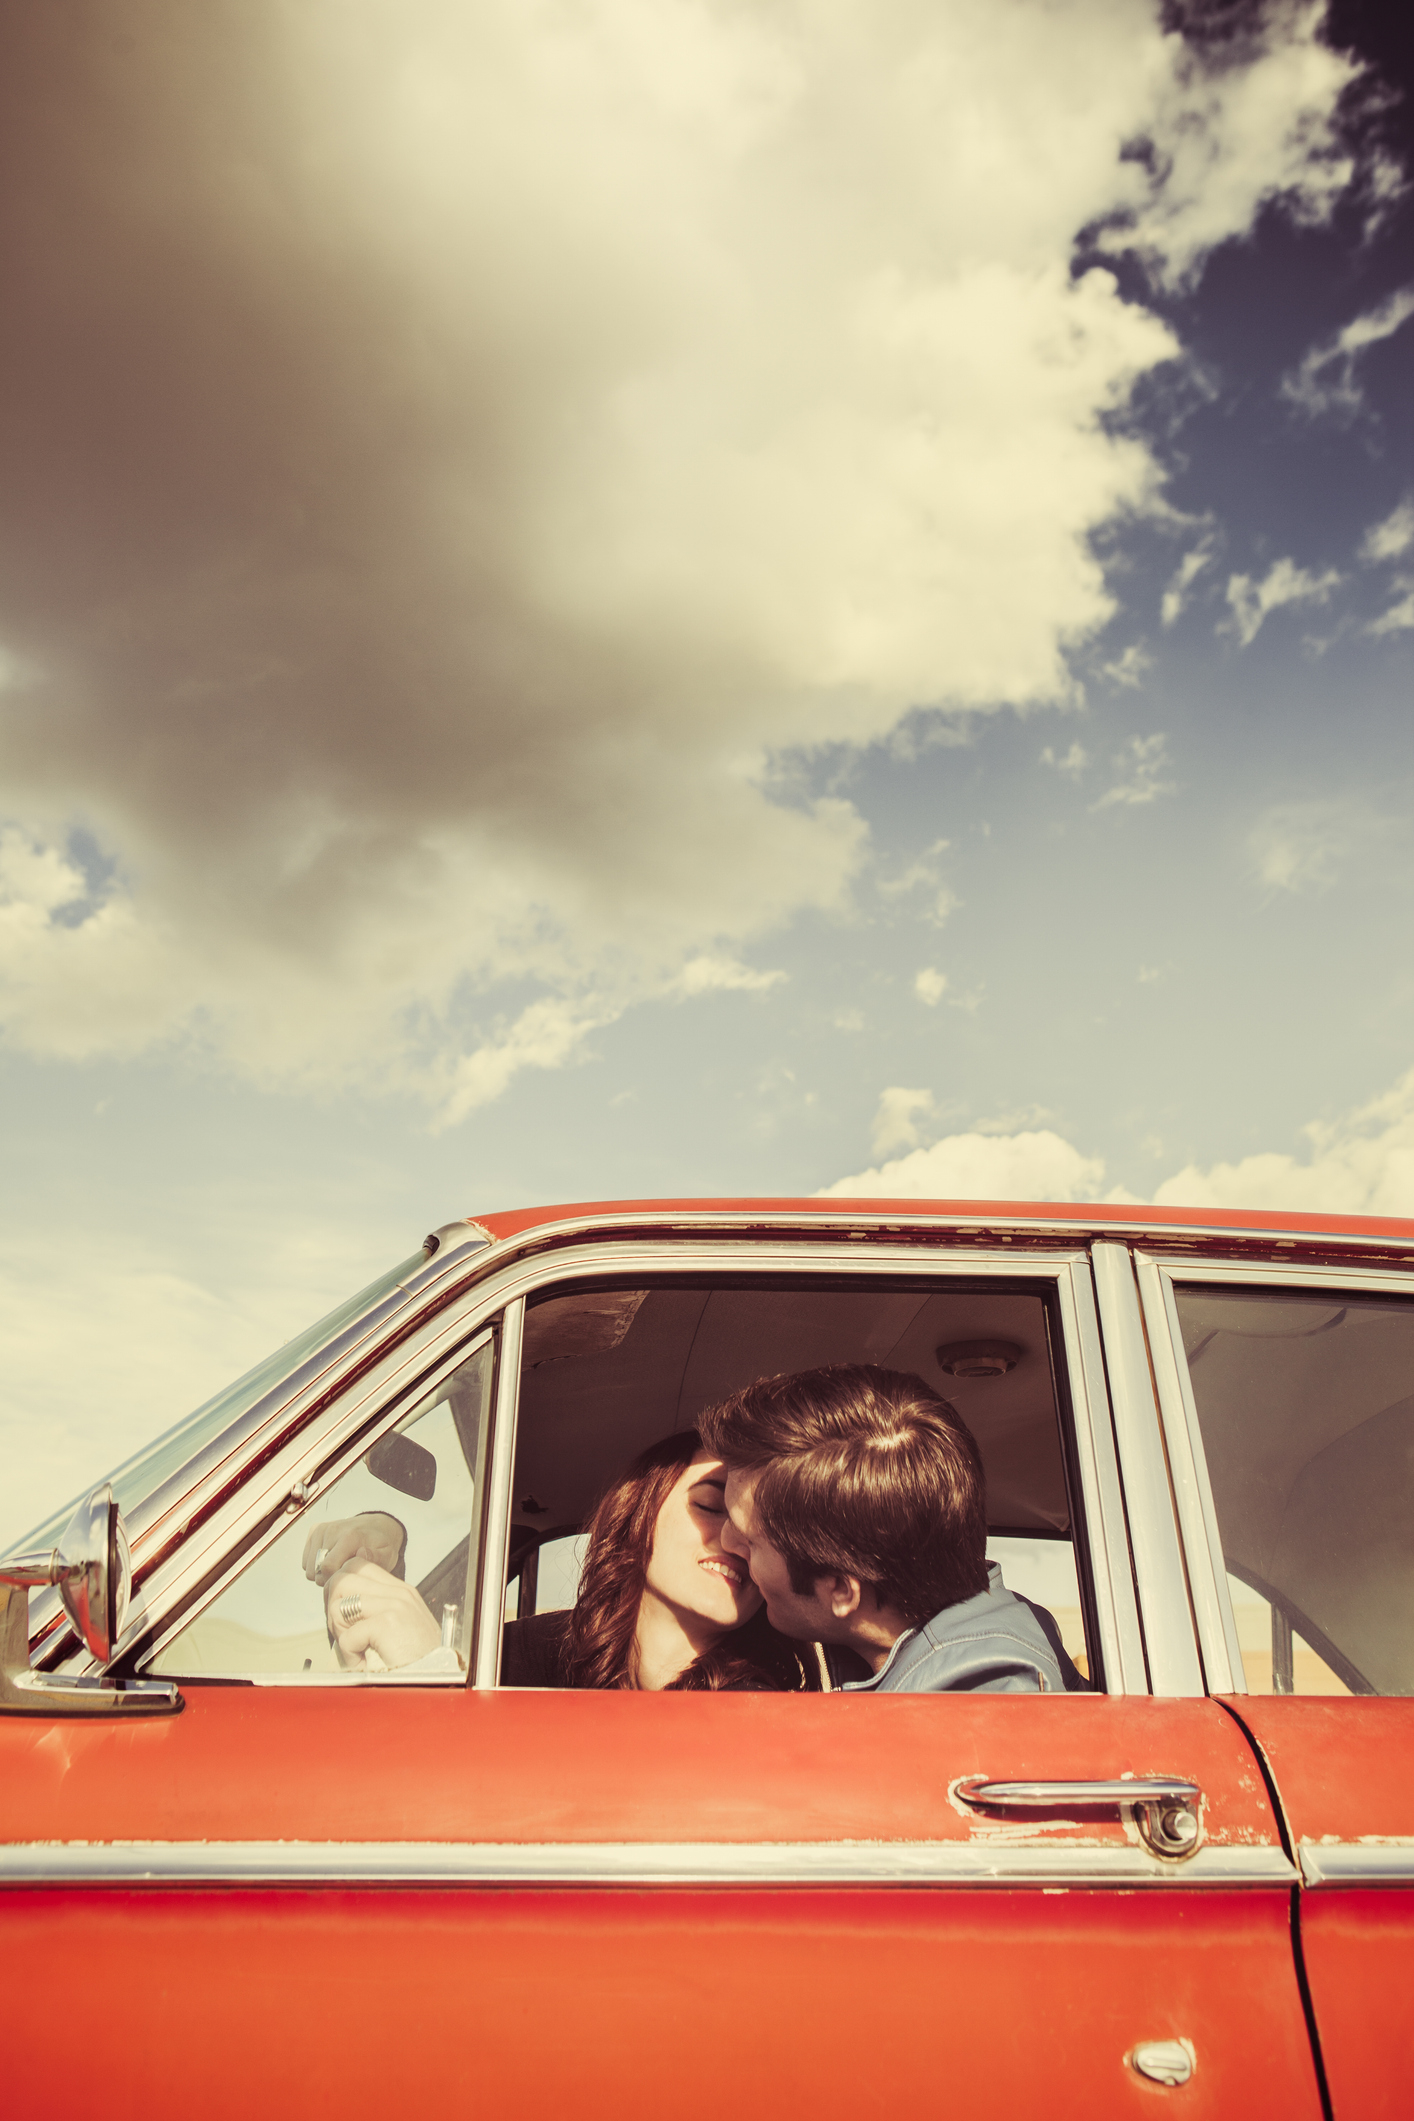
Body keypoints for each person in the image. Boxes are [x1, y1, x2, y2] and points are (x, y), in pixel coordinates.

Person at [304, 1430, 809, 1689]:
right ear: (640, 1512)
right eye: (710, 1505)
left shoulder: (760, 1701)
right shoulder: (536, 1649)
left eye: (759, 1527)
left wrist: (426, 1669)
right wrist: (384, 1554)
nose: (738, 1538)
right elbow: (424, 1643)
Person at [701, 1363, 1084, 1693]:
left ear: (839, 1589)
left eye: (750, 1541)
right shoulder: (920, 1650)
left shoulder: (976, 1706)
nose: (726, 1541)